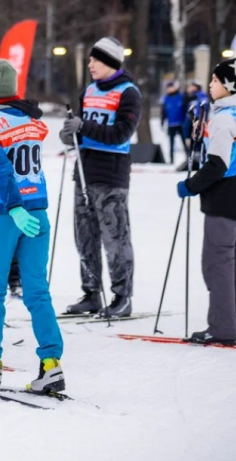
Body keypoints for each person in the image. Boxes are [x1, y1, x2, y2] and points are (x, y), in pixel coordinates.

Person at [0, 59, 64, 394]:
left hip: (3, 212)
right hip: (38, 209)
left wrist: (14, 206)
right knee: (38, 291)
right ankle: (52, 365)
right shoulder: (31, 118)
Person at [176, 58, 236, 345]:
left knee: (216, 262)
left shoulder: (223, 118)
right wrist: (201, 129)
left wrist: (190, 185)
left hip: (225, 196)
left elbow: (217, 165)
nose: (210, 85)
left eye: (214, 80)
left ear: (228, 85)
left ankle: (223, 328)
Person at [61, 37, 140, 318]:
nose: (90, 64)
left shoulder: (128, 93)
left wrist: (84, 126)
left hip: (111, 174)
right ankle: (91, 293)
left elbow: (121, 134)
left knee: (115, 236)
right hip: (84, 171)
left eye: (96, 59)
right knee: (84, 236)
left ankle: (122, 296)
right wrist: (70, 133)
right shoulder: (89, 91)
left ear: (110, 62)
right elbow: (83, 131)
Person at [161, 80, 186, 162]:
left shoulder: (181, 96)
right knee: (171, 142)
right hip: (171, 123)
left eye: (171, 87)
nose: (170, 89)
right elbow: (164, 111)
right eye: (168, 88)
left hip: (180, 123)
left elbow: (185, 109)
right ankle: (171, 159)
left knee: (184, 141)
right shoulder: (166, 98)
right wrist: (162, 121)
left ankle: (188, 157)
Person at [183, 81, 210, 156]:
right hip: (191, 120)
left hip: (198, 120)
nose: (190, 88)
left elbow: (204, 108)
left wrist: (201, 119)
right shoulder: (191, 96)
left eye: (192, 86)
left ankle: (197, 155)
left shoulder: (201, 95)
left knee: (198, 140)